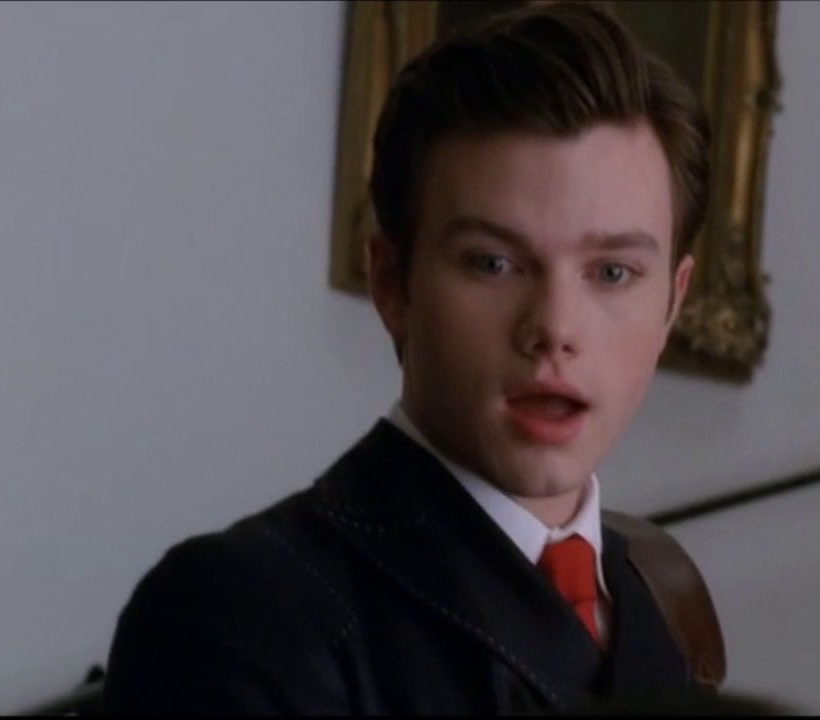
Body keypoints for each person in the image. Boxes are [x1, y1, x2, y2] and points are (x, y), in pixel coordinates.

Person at [102, 1, 715, 714]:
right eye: (492, 262)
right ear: (392, 283)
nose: (554, 328)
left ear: (673, 301)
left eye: (612, 273)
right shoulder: (238, 614)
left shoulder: (664, 606)